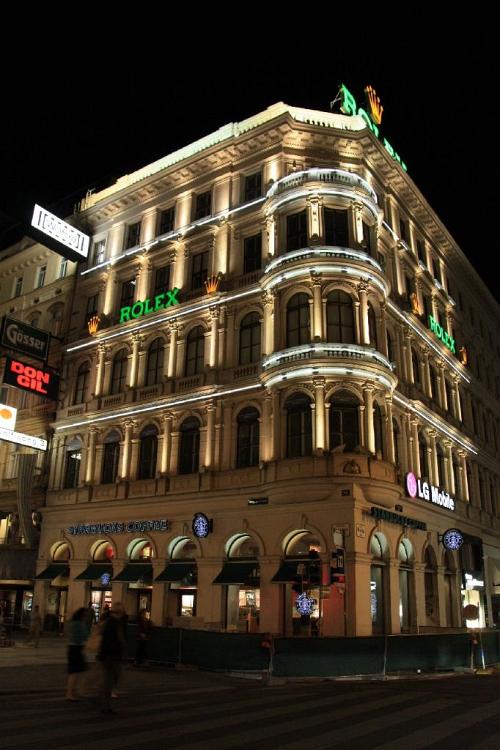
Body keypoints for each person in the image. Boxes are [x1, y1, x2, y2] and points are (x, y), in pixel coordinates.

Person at [97, 601, 127, 713]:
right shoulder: (114, 623)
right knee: (110, 680)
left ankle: (106, 703)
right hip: (111, 656)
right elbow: (116, 640)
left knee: (109, 679)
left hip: (108, 655)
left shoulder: (109, 621)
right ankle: (105, 704)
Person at [66, 607, 89, 700]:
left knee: (75, 672)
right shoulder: (80, 624)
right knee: (75, 672)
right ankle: (71, 693)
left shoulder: (73, 623)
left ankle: (73, 691)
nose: (86, 617)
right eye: (85, 615)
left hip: (72, 648)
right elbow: (84, 636)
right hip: (77, 648)